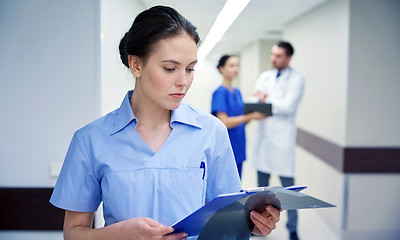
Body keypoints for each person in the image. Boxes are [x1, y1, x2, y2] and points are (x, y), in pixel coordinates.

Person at [50, 6, 280, 240]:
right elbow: (73, 234)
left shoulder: (211, 132)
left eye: (190, 69)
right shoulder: (90, 140)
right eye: (170, 68)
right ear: (136, 65)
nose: (183, 81)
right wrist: (120, 235)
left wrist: (252, 225)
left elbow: (228, 221)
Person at [251, 41, 305, 240]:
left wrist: (265, 101)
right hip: (264, 141)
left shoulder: (297, 79)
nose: (273, 58)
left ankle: (292, 229)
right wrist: (264, 102)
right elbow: (254, 101)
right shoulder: (265, 76)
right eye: (273, 54)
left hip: (283, 142)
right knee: (260, 192)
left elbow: (288, 107)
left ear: (288, 58)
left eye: (279, 55)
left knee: (289, 192)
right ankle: (257, 226)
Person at [211, 54, 266, 178]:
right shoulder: (219, 93)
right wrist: (251, 116)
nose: (235, 69)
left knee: (237, 184)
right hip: (226, 147)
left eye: (237, 65)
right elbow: (224, 122)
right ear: (221, 69)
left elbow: (241, 120)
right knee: (226, 190)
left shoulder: (238, 92)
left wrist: (256, 111)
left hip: (239, 145)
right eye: (231, 66)